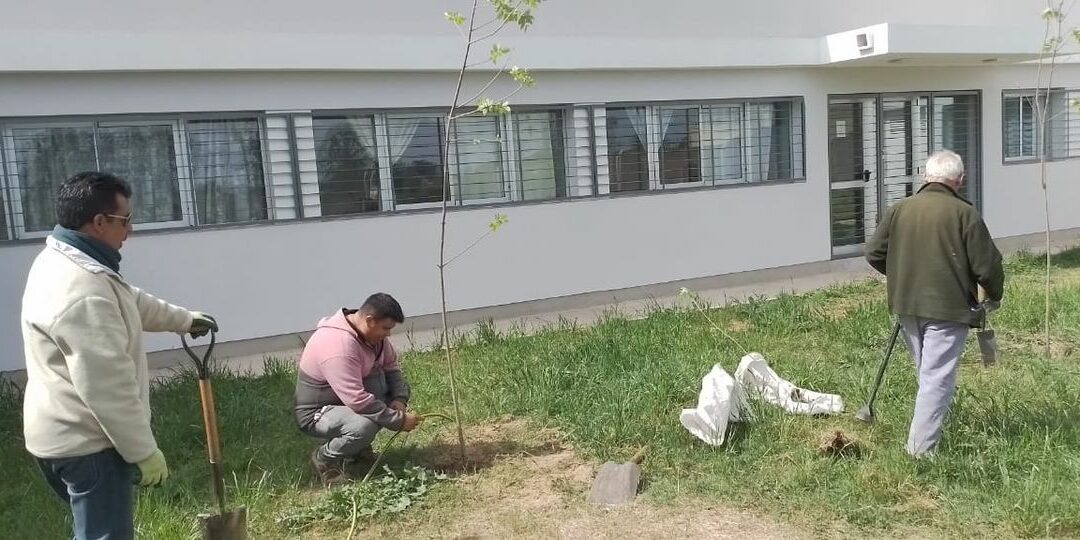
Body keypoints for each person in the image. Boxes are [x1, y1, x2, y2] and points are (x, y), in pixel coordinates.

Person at [21, 171, 218, 539]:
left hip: (58, 433)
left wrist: (184, 320)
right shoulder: (83, 292)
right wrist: (142, 450)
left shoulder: (66, 260)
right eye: (125, 221)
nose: (130, 230)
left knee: (93, 529)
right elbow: (106, 385)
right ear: (99, 222)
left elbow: (130, 299)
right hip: (88, 445)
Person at [865, 150, 1004, 457]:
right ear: (960, 180)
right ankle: (919, 453)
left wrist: (904, 274)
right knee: (936, 379)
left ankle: (927, 428)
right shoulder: (964, 213)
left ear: (925, 177)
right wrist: (994, 294)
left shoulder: (900, 209)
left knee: (928, 375)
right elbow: (988, 266)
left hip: (906, 304)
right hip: (947, 307)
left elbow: (874, 252)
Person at [293, 293, 421, 486]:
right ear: (370, 320)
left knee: (396, 390)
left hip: (346, 401)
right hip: (318, 412)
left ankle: (356, 451)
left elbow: (391, 369)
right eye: (386, 328)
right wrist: (398, 421)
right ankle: (324, 459)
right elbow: (357, 400)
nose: (389, 334)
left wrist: (399, 399)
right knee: (363, 426)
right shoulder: (338, 346)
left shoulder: (372, 337)